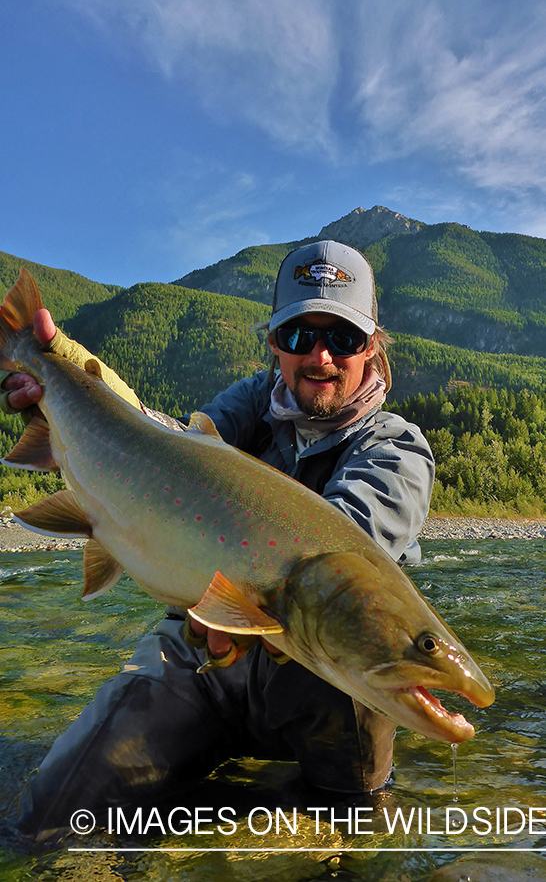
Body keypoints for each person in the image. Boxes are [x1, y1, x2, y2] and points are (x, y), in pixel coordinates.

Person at [1, 240, 434, 840]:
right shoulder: (254, 400)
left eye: (343, 337)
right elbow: (165, 447)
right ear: (274, 343)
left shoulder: (397, 449)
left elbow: (336, 566)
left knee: (354, 832)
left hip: (322, 679)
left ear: (372, 346)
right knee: (48, 823)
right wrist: (65, 380)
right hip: (203, 645)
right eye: (299, 336)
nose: (320, 357)